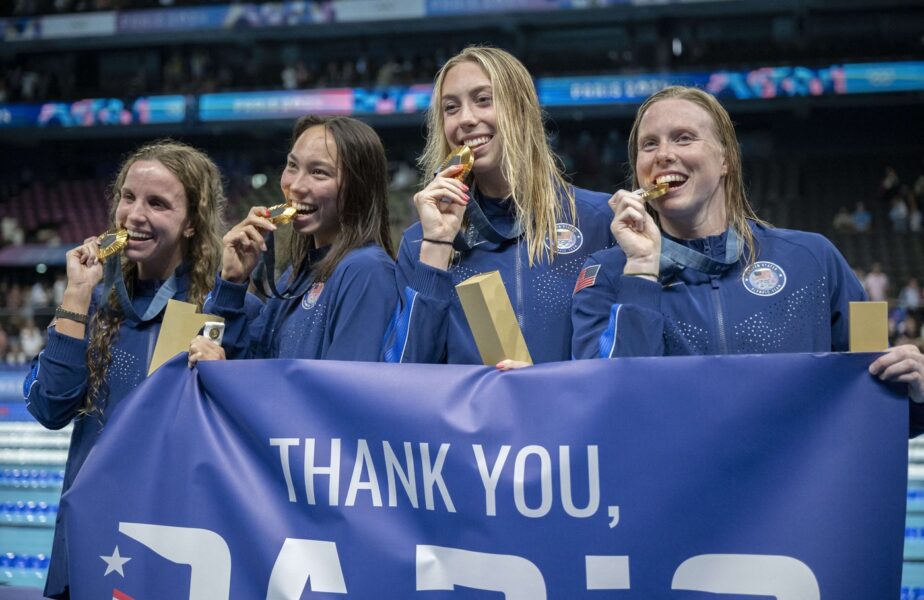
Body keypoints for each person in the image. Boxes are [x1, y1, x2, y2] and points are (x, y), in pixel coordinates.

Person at [570, 86, 924, 432]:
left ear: (726, 159)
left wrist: (918, 397)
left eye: (684, 138)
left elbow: (877, 401)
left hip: (796, 492)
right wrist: (642, 271)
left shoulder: (816, 259)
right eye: (649, 144)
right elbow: (607, 413)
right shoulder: (607, 274)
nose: (663, 154)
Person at [22, 140, 227, 598]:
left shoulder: (222, 309)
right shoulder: (93, 301)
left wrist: (227, 377)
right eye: (128, 196)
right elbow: (50, 407)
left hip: (171, 540)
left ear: (192, 222)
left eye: (157, 203)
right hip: (88, 537)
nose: (135, 214)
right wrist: (75, 296)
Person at [383, 46, 613, 367]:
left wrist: (548, 385)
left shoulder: (599, 221)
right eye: (451, 107)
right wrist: (436, 249)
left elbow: (619, 366)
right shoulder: (420, 243)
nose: (466, 119)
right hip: (469, 418)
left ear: (521, 109)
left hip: (565, 416)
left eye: (483, 100)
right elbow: (404, 373)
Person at [189, 115, 397, 363]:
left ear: (360, 188)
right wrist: (232, 283)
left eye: (319, 172)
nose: (295, 186)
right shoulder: (295, 275)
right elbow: (249, 363)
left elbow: (342, 393)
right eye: (292, 166)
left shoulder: (366, 270)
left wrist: (230, 381)